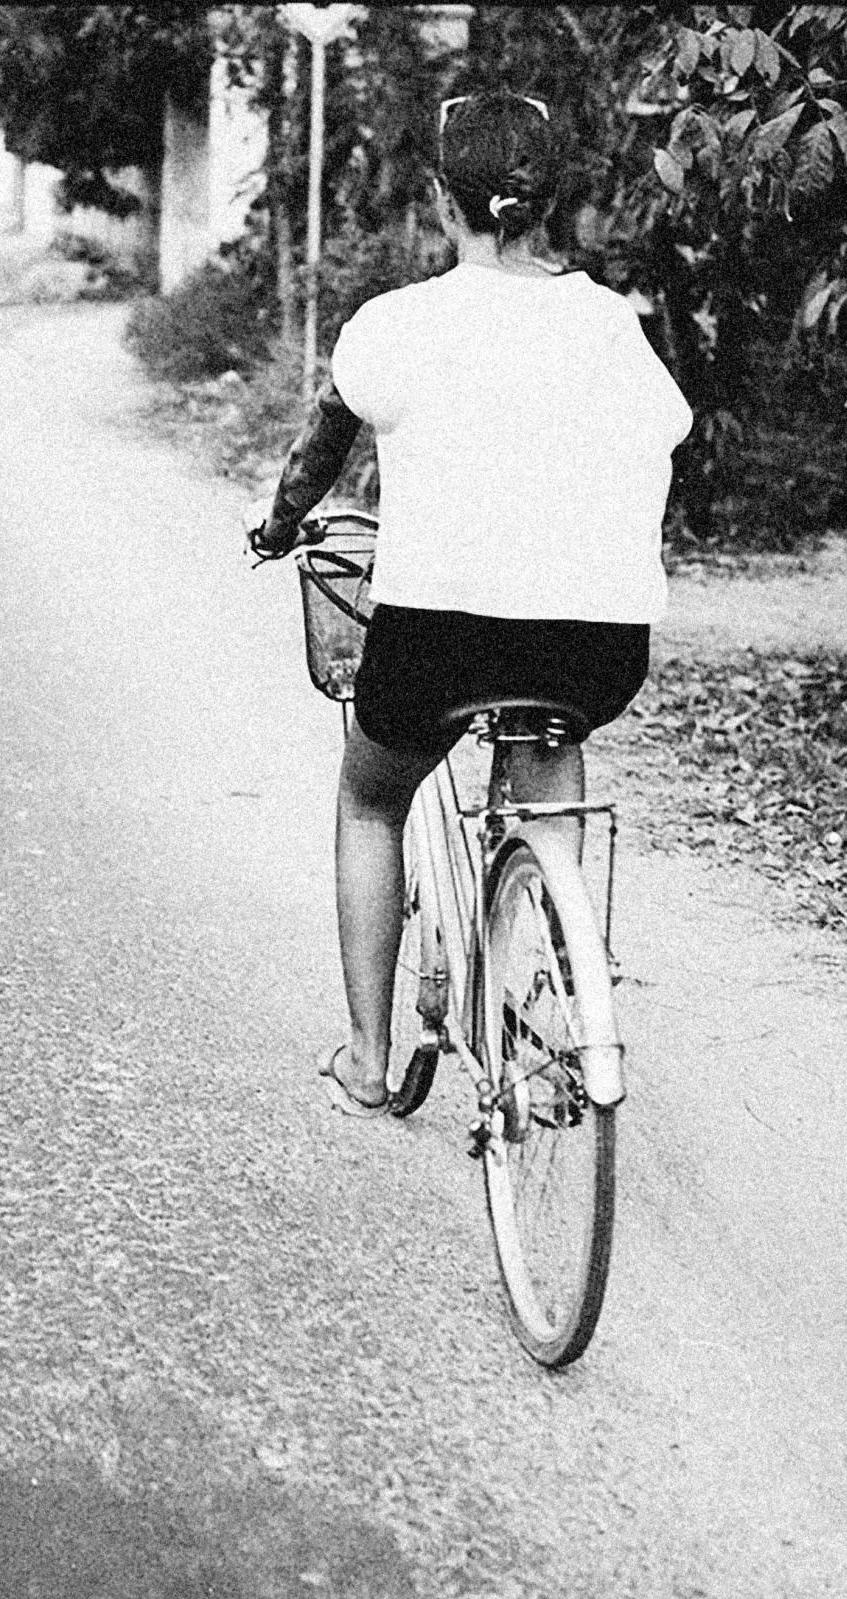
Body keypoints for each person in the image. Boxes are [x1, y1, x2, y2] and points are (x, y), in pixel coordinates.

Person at [248, 91, 694, 1119]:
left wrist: (278, 529)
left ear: (443, 202)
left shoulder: (399, 326)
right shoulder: (613, 326)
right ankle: (543, 1004)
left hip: (436, 641)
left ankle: (368, 1055)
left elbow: (320, 448)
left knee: (371, 797)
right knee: (549, 764)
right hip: (596, 649)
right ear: (551, 201)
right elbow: (662, 434)